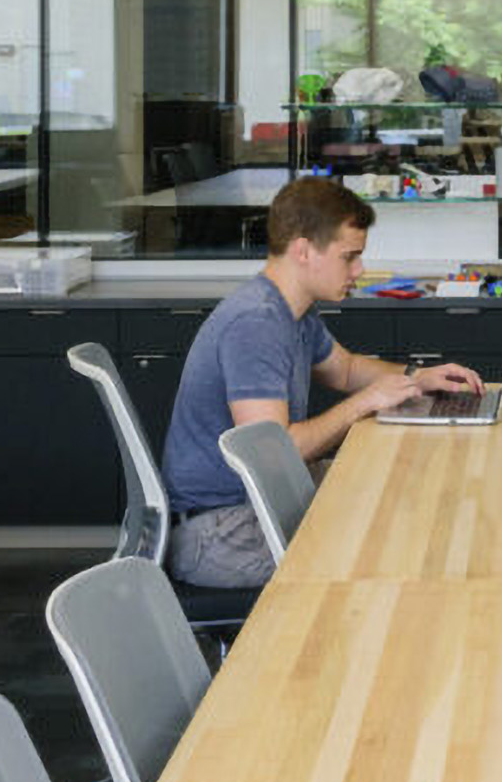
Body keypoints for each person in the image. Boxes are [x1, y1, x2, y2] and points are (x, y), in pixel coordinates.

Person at [160, 176, 484, 588]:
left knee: (395, 491)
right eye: (350, 257)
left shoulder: (292, 311)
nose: (360, 270)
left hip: (257, 503)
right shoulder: (255, 324)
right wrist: (366, 403)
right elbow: (275, 453)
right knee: (380, 549)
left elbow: (345, 370)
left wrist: (416, 379)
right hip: (219, 531)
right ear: (303, 250)